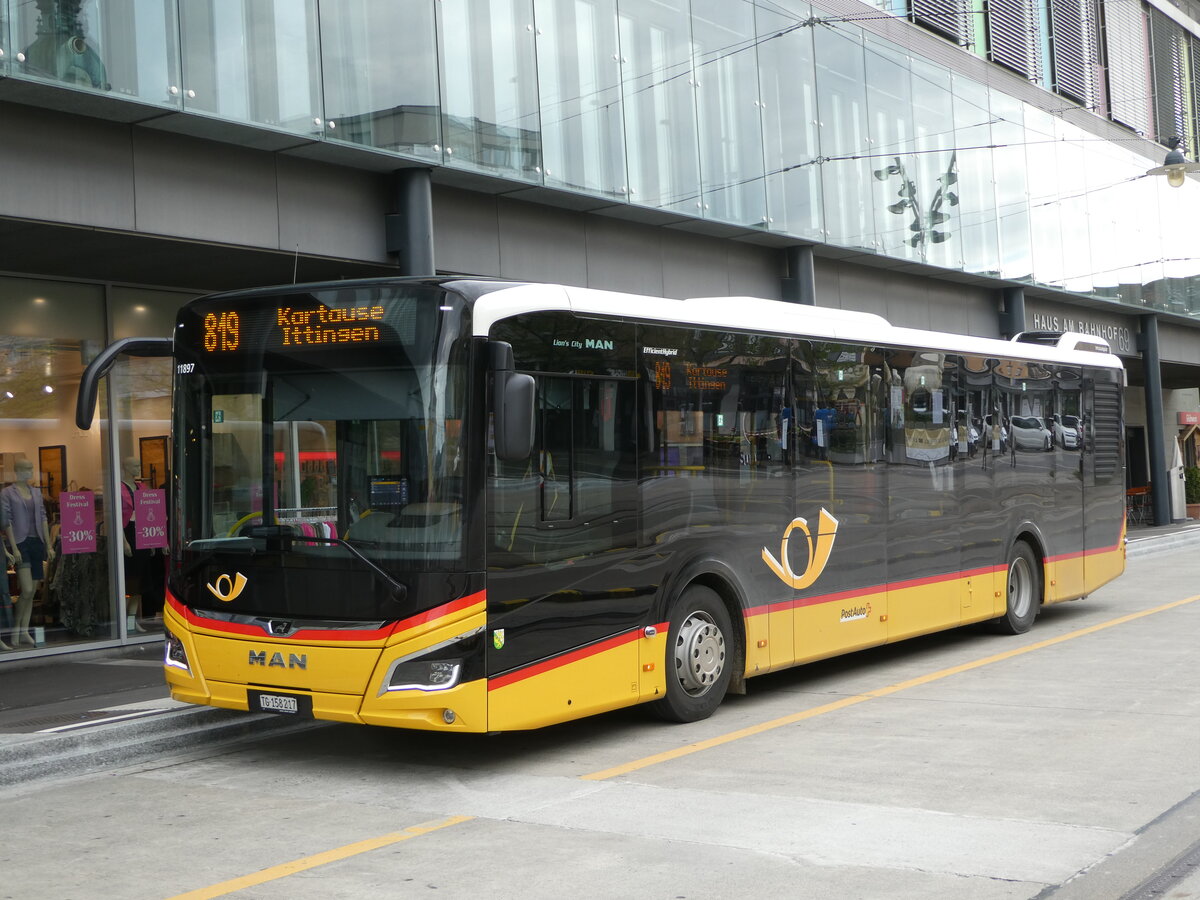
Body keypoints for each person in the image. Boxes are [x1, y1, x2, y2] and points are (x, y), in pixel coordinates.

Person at [2, 458, 54, 648]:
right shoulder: (7, 493)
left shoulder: (36, 492)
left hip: (36, 542)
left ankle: (24, 631)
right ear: (17, 471)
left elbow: (43, 518)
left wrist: (48, 545)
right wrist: (13, 547)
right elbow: (6, 521)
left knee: (32, 592)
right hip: (20, 542)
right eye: (26, 468)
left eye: (31, 468)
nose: (30, 471)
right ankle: (16, 630)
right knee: (27, 589)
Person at [120, 457, 151, 632]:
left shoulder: (142, 487)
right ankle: (123, 619)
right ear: (125, 467)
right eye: (135, 465)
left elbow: (149, 513)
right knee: (129, 579)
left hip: (142, 534)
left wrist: (153, 540)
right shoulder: (119, 488)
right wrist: (123, 541)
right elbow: (116, 517)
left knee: (139, 581)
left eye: (140, 464)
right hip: (128, 533)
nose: (138, 468)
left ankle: (132, 620)